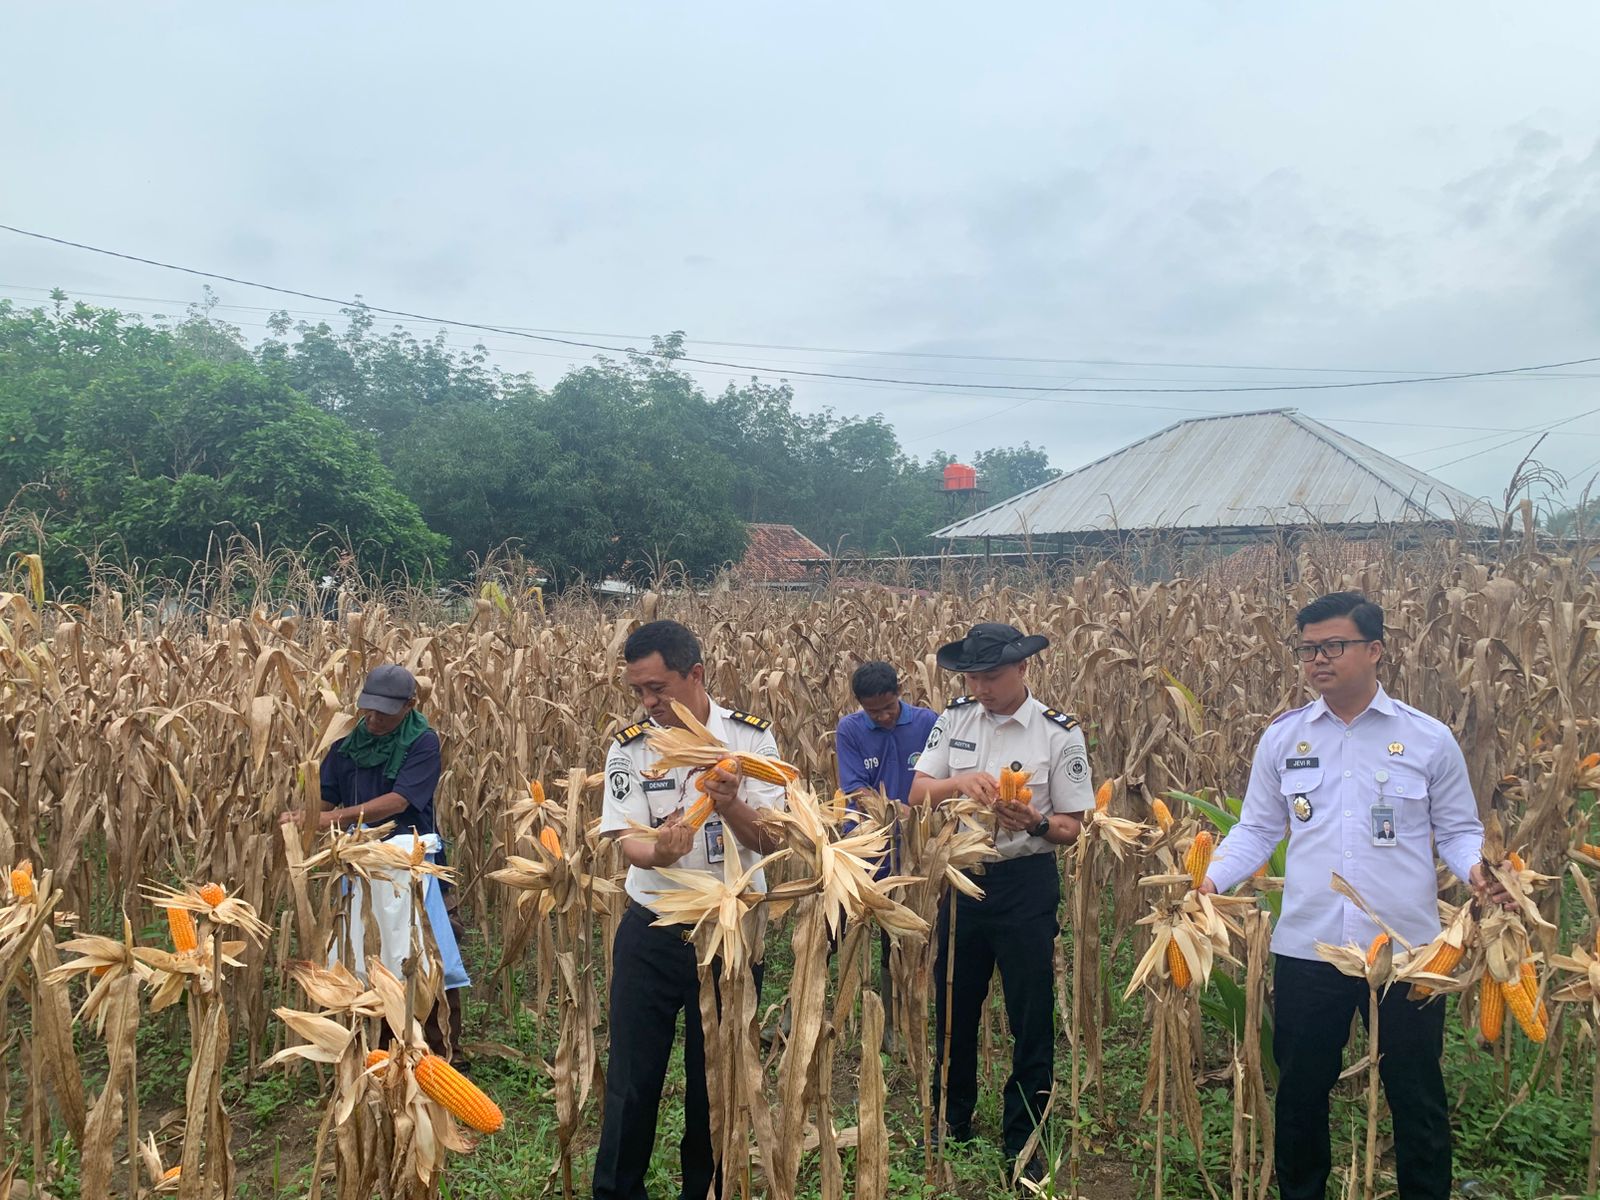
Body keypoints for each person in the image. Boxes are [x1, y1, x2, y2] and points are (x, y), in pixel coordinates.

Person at [1200, 591, 1508, 1200]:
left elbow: (1459, 829)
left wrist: (1478, 870)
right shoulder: (1284, 739)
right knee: (1301, 1094)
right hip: (1309, 949)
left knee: (1415, 1093)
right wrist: (1210, 878)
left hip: (1411, 951)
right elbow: (1258, 828)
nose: (1319, 659)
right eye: (1309, 649)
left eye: (1333, 646)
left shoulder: (1427, 739)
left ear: (1375, 652)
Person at [594, 620, 788, 1200]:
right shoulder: (629, 747)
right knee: (632, 1078)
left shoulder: (751, 742)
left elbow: (773, 840)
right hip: (652, 927)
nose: (649, 703)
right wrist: (658, 850)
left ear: (696, 674)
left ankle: (708, 1191)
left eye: (658, 688)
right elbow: (626, 840)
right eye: (639, 692)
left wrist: (730, 806)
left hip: (727, 932)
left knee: (719, 1082)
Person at [909, 622, 1092, 1182]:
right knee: (953, 1006)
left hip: (1024, 882)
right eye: (973, 677)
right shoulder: (954, 720)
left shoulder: (1058, 734)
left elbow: (1072, 826)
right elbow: (917, 794)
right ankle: (950, 1120)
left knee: (1029, 1014)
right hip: (961, 881)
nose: (982, 687)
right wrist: (959, 784)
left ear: (1023, 669)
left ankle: (1027, 1135)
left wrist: (1034, 820)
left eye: (991, 676)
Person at [281, 663, 470, 1057]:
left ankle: (442, 1050)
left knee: (427, 955)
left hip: (412, 863)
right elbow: (326, 800)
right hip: (363, 865)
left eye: (385, 710)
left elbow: (399, 801)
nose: (375, 717)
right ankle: (383, 1049)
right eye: (369, 708)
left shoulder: (422, 742)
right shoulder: (345, 748)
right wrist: (304, 817)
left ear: (409, 705)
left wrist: (333, 818)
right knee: (371, 954)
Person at [834, 660, 939, 1047]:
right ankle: (813, 1010)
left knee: (909, 930)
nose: (882, 716)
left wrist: (920, 818)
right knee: (843, 927)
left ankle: (904, 1021)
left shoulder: (928, 723)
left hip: (918, 844)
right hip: (869, 843)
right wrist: (892, 809)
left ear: (901, 691)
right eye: (872, 711)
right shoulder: (850, 730)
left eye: (888, 707)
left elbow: (943, 777)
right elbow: (855, 786)